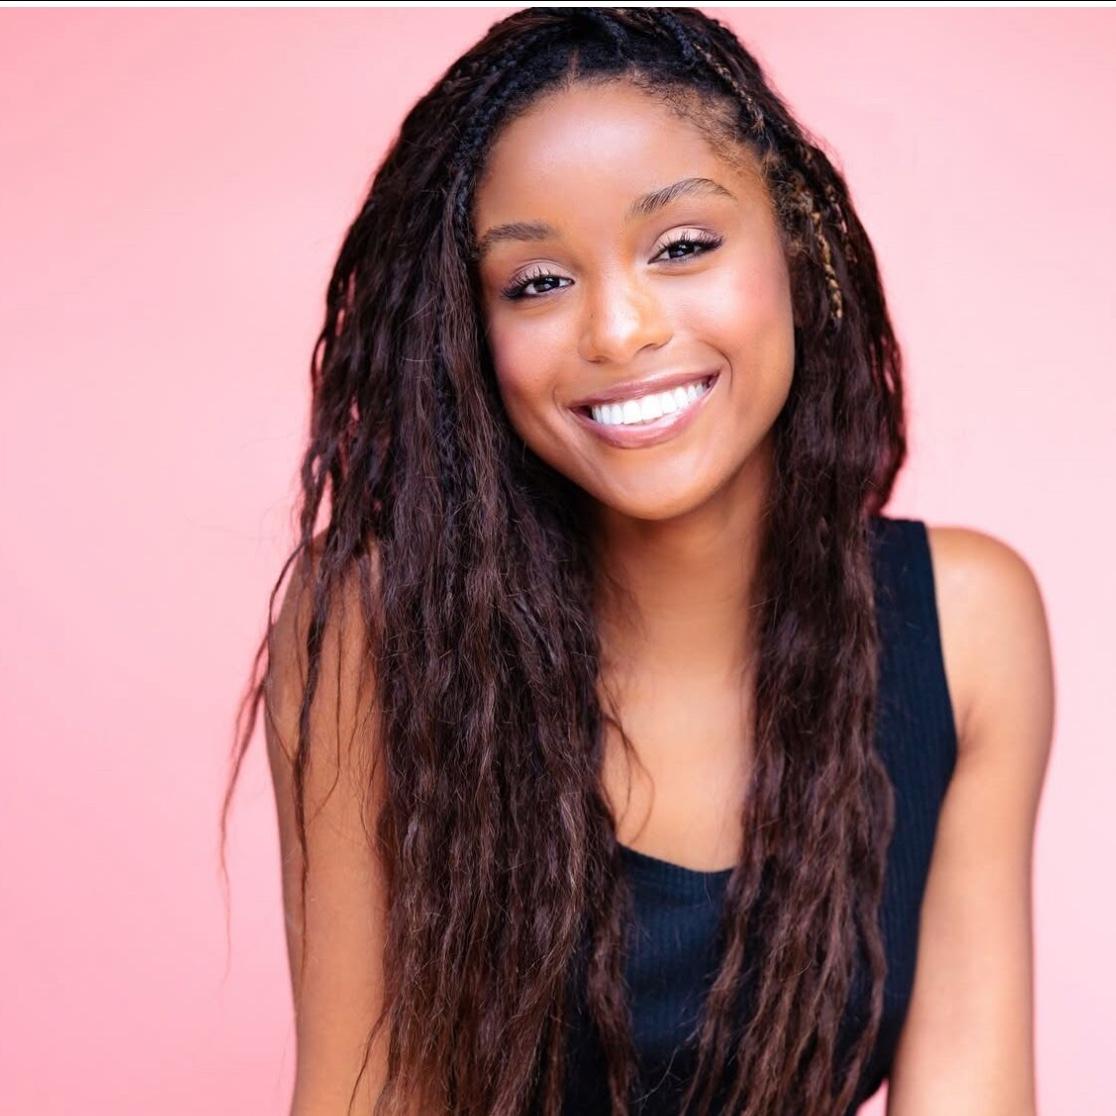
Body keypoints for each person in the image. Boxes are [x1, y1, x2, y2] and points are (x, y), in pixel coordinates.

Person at [221, 8, 1055, 1115]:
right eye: (537, 282)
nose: (618, 330)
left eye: (682, 246)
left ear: (798, 245)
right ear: (470, 333)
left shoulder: (967, 628)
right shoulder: (377, 630)